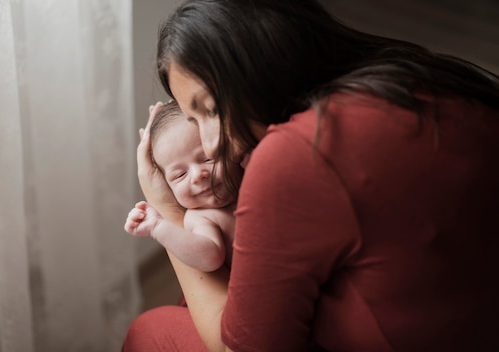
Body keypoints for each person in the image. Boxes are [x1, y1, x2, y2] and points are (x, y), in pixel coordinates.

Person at [124, 0, 499, 351]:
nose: (209, 144)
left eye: (212, 109)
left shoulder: (298, 155)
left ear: (263, 64)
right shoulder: (415, 77)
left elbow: (241, 347)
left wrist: (168, 211)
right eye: (193, 120)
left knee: (151, 330)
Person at [124, 101, 240, 272]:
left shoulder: (249, 178)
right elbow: (210, 257)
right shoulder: (201, 217)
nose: (197, 175)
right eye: (180, 175)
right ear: (167, 185)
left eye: (208, 158)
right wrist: (158, 227)